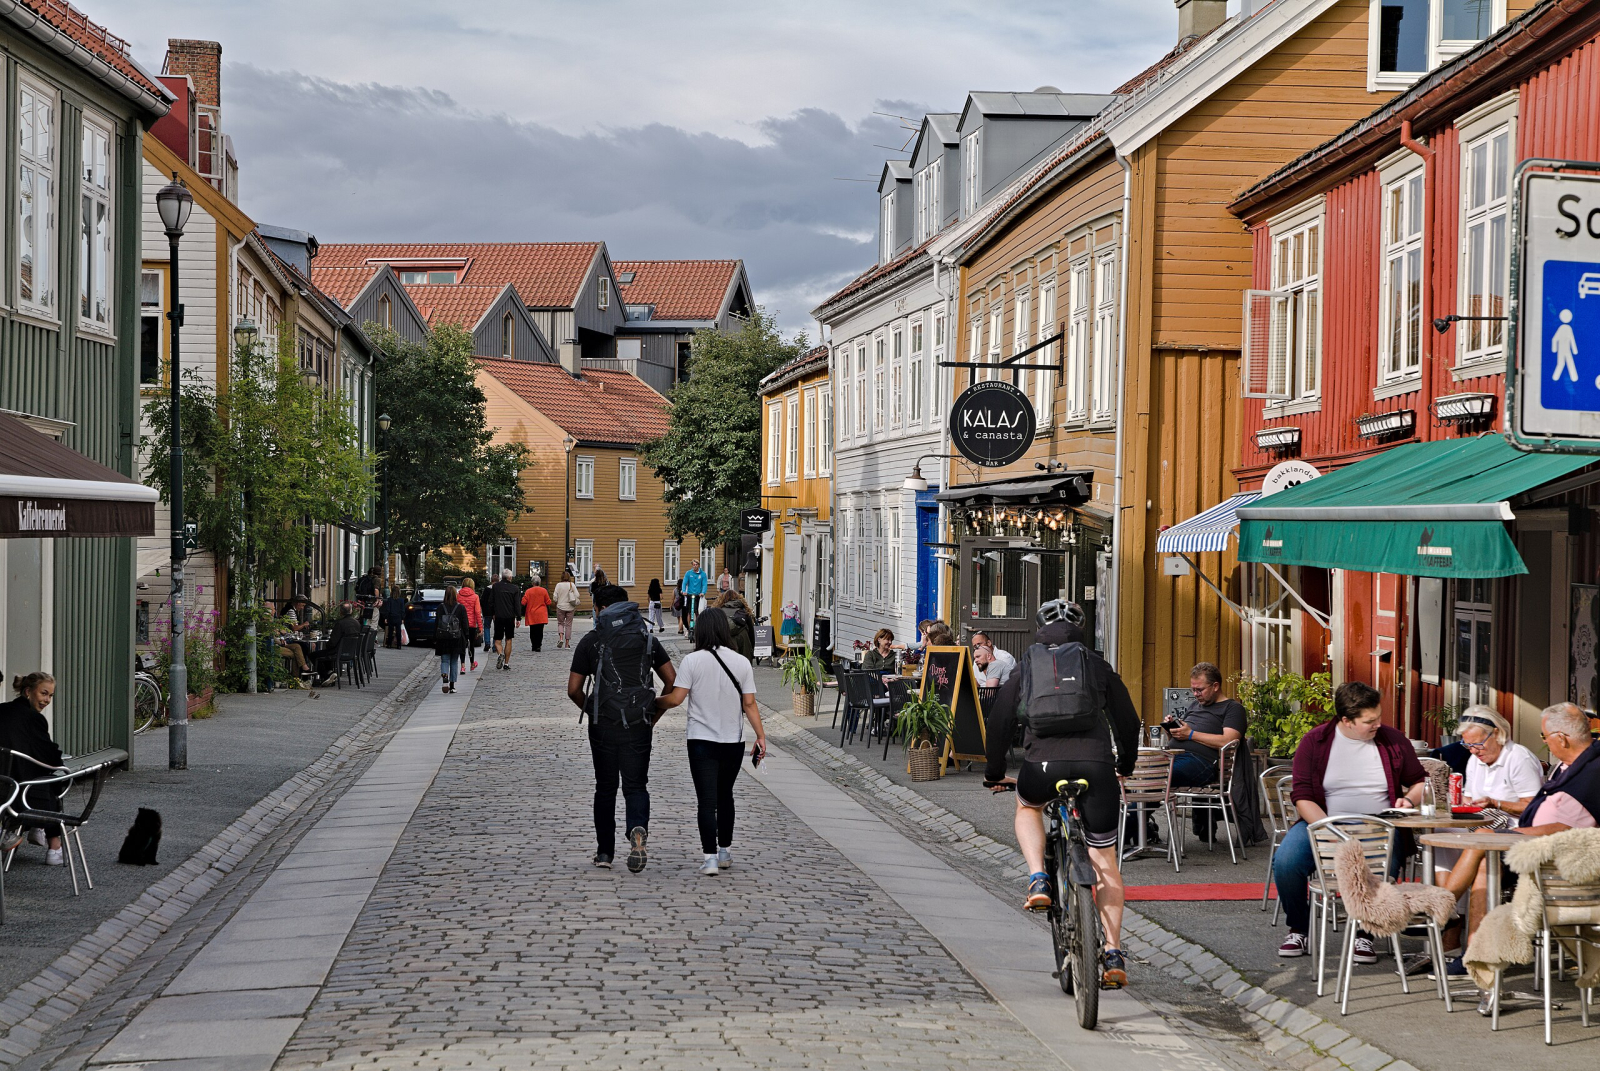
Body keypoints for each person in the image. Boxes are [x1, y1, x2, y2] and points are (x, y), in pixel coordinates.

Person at [1010, 600, 1140, 989]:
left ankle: (1037, 878)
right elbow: (1128, 722)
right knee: (1104, 858)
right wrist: (1125, 765)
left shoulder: (1027, 663)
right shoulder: (1096, 664)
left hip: (1042, 767)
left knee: (1027, 805)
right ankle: (1113, 950)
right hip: (1096, 768)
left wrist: (996, 770)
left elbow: (1001, 715)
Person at [1271, 681, 1427, 963]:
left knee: (1381, 869)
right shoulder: (1315, 742)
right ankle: (1299, 928)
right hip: (1322, 824)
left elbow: (1418, 781)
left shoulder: (1392, 739)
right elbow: (1303, 796)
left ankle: (1364, 936)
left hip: (1380, 829)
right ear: (1346, 720)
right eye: (1369, 721)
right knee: (1286, 862)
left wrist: (1410, 800)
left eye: (1379, 717)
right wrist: (1327, 831)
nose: (1378, 724)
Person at [1429, 705, 1547, 972]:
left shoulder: (1518, 758)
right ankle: (1448, 916)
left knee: (1479, 852)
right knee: (1441, 836)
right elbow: (1473, 800)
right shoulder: (1475, 761)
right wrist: (1464, 802)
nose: (1473, 751)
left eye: (1478, 744)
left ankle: (1446, 914)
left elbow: (1534, 808)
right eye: (1467, 745)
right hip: (1485, 829)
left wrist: (1496, 802)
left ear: (1499, 733)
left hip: (1517, 837)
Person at [568, 584, 676, 871]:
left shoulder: (591, 641)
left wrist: (591, 710)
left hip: (602, 724)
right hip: (640, 723)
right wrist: (653, 714)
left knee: (605, 788)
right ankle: (637, 830)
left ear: (601, 609)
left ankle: (605, 853)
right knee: (636, 785)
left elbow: (573, 689)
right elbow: (671, 680)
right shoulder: (647, 638)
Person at [656, 608, 767, 875]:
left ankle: (710, 859)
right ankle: (725, 851)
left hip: (701, 740)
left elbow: (675, 699)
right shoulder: (741, 662)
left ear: (702, 631)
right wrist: (761, 736)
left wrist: (651, 701)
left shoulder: (692, 662)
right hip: (733, 740)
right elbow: (749, 703)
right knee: (725, 795)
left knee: (706, 800)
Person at [0, 672, 66, 864]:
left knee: (44, 776)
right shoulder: (33, 718)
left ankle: (39, 830)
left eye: (50, 696)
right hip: (19, 790)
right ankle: (53, 845)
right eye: (44, 693)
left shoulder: (2, 710)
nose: (47, 700)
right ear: (28, 692)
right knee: (53, 779)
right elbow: (49, 756)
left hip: (3, 785)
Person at [1168, 662, 1249, 788]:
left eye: (1199, 690)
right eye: (1193, 690)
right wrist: (1173, 731)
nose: (1195, 694)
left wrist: (1190, 734)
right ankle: (1131, 807)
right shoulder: (1195, 706)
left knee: (1157, 775)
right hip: (1175, 757)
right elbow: (1182, 737)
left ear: (1215, 686)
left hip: (1202, 762)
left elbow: (1228, 741)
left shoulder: (1232, 708)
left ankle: (1132, 807)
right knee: (1139, 775)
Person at [314, 601, 365, 684]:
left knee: (314, 655)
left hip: (338, 652)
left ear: (341, 612)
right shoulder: (357, 623)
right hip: (351, 652)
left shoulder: (340, 624)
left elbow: (332, 642)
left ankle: (326, 675)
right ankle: (330, 673)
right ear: (351, 611)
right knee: (326, 653)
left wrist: (326, 645)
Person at [434, 584, 471, 693]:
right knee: (454, 661)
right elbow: (465, 624)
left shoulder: (441, 607)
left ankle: (445, 680)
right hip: (456, 638)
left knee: (445, 660)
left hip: (443, 637)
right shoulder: (460, 607)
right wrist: (467, 637)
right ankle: (452, 685)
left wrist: (434, 637)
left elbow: (436, 623)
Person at [487, 568, 521, 670]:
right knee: (509, 639)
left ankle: (500, 654)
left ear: (502, 576)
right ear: (510, 577)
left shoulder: (496, 586)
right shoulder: (515, 588)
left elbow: (490, 602)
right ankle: (506, 663)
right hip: (510, 617)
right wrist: (518, 618)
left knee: (497, 640)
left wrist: (493, 613)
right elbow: (517, 605)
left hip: (499, 616)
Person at [714, 588, 756, 661]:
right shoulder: (744, 611)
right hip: (743, 642)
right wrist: (752, 649)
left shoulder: (718, 612)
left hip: (725, 643)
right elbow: (751, 633)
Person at [458, 578, 484, 672]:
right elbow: (477, 612)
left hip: (460, 624)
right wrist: (480, 627)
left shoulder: (458, 596)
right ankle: (472, 664)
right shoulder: (475, 596)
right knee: (471, 645)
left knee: (462, 645)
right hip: (471, 624)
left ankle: (462, 666)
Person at [522, 575, 552, 653]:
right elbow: (548, 602)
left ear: (532, 583)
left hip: (532, 613)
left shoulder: (528, 591)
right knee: (540, 631)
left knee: (533, 631)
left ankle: (534, 645)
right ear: (540, 582)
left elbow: (523, 602)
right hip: (541, 614)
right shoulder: (544, 590)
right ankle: (539, 645)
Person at [552, 567, 581, 649]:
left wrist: (556, 601)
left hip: (560, 606)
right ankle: (567, 644)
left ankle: (561, 638)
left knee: (560, 623)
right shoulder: (572, 585)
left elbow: (555, 597)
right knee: (568, 625)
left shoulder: (558, 585)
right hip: (570, 607)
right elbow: (577, 595)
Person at [681, 561, 707, 627]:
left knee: (698, 611)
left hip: (698, 595)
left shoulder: (703, 574)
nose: (694, 566)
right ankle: (690, 628)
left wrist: (703, 592)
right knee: (689, 612)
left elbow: (704, 584)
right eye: (693, 565)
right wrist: (684, 591)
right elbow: (684, 583)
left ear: (698, 565)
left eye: (696, 564)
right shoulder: (688, 573)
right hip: (690, 595)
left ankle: (698, 626)